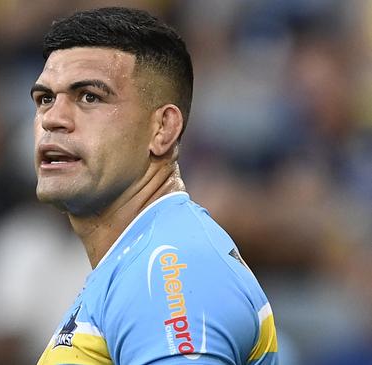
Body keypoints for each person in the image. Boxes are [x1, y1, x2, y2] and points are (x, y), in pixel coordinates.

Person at [30, 7, 278, 365]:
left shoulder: (169, 269)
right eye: (45, 99)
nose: (52, 119)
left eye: (89, 97)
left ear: (163, 129)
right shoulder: (141, 259)